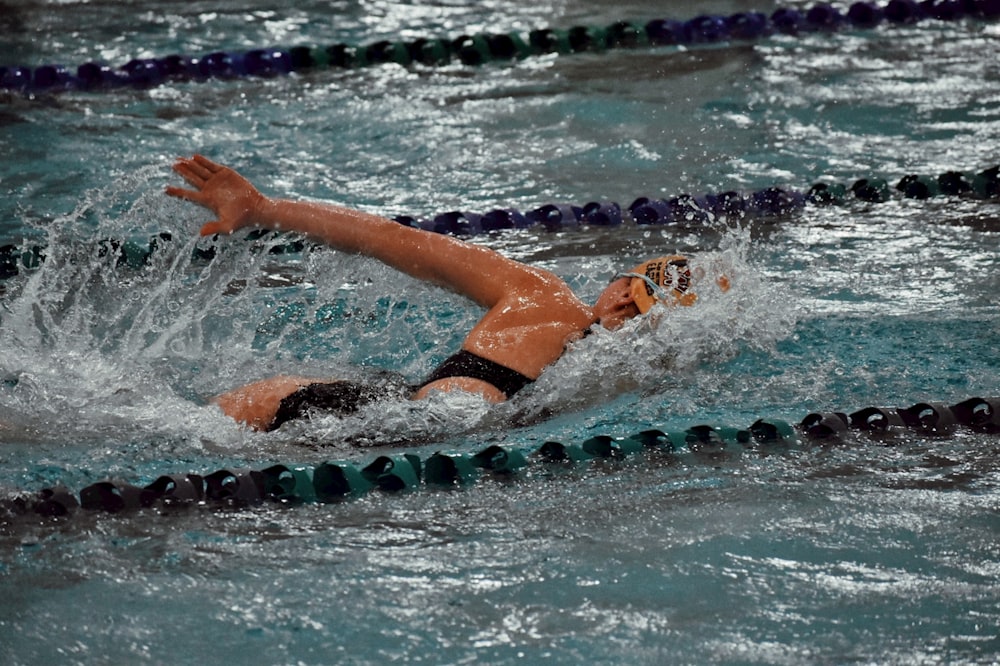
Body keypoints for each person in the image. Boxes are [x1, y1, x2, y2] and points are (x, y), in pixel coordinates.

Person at [166, 154, 714, 431]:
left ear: (621, 296)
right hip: (422, 427)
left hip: (405, 420)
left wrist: (264, 210)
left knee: (245, 404)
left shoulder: (545, 300)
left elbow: (392, 240)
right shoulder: (648, 373)